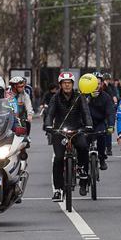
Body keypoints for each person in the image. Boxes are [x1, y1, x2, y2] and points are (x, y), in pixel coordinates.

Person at [43, 72, 93, 202]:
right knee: (58, 158)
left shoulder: (79, 97)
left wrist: (88, 125)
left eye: (69, 83)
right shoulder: (55, 98)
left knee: (83, 147)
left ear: (73, 84)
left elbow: (86, 112)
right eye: (64, 83)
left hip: (77, 129)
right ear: (60, 85)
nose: (67, 85)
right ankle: (58, 190)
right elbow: (50, 114)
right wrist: (48, 125)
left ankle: (83, 176)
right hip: (60, 131)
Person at [85, 72, 114, 173]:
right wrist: (89, 98)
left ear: (102, 84)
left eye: (99, 83)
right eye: (94, 83)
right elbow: (78, 108)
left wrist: (111, 125)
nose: (97, 86)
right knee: (83, 143)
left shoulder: (106, 97)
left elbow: (110, 112)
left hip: (99, 122)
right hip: (85, 123)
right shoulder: (84, 94)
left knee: (102, 135)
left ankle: (102, 159)